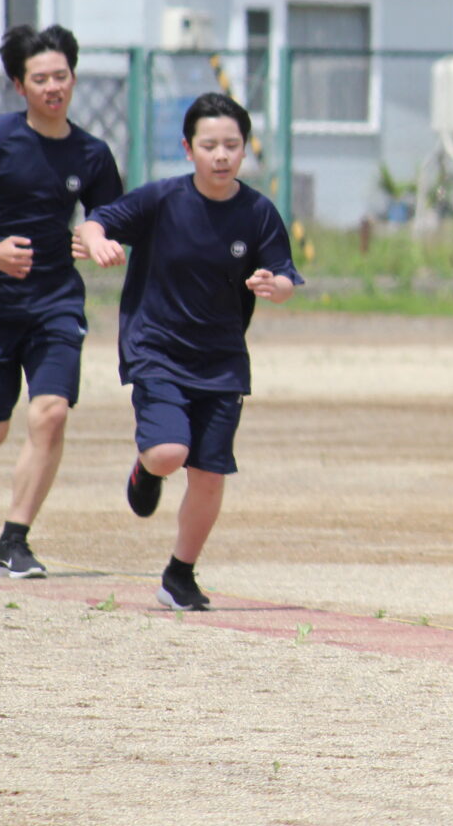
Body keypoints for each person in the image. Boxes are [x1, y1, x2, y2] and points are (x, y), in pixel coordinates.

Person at [77, 92, 301, 612]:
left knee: (209, 473)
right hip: (156, 348)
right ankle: (145, 466)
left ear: (245, 150)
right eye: (209, 145)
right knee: (168, 453)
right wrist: (97, 242)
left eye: (232, 145)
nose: (220, 155)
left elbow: (288, 277)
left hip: (222, 359)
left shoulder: (258, 212)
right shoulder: (161, 200)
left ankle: (180, 575)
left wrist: (276, 285)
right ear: (188, 148)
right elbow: (95, 222)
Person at [0, 25, 123, 579]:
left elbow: (108, 217)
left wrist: (96, 239)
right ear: (19, 85)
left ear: (74, 77)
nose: (54, 87)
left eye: (62, 76)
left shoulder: (91, 152)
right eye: (41, 79)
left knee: (51, 414)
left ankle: (14, 540)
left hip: (55, 302)